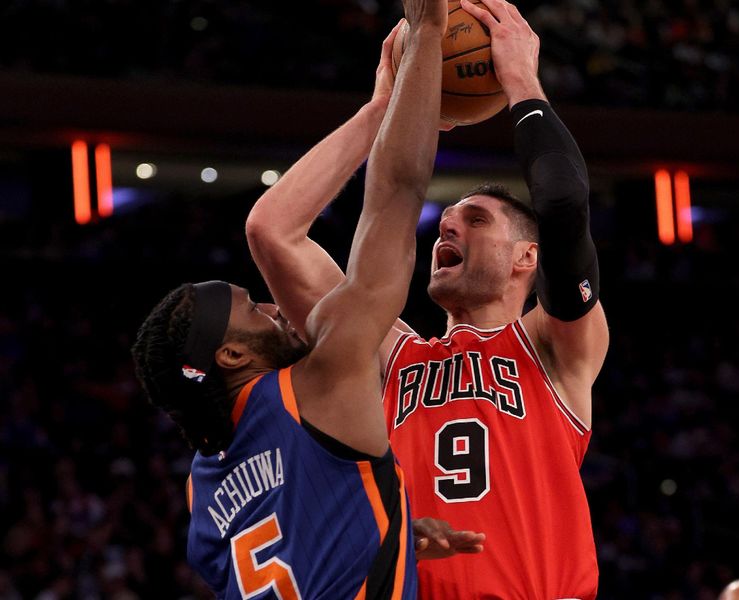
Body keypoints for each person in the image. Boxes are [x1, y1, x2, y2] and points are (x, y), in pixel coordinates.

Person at [246, 0, 608, 596]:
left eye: (476, 220)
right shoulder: (391, 356)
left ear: (528, 259)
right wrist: (382, 111)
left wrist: (519, 76)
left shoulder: (554, 346)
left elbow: (565, 206)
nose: (446, 226)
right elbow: (273, 231)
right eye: (445, 219)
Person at [130, 1, 483, 597]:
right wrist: (426, 34)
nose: (273, 307)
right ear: (233, 357)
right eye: (255, 309)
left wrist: (385, 530)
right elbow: (396, 195)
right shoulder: (317, 383)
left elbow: (293, 538)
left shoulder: (203, 491)